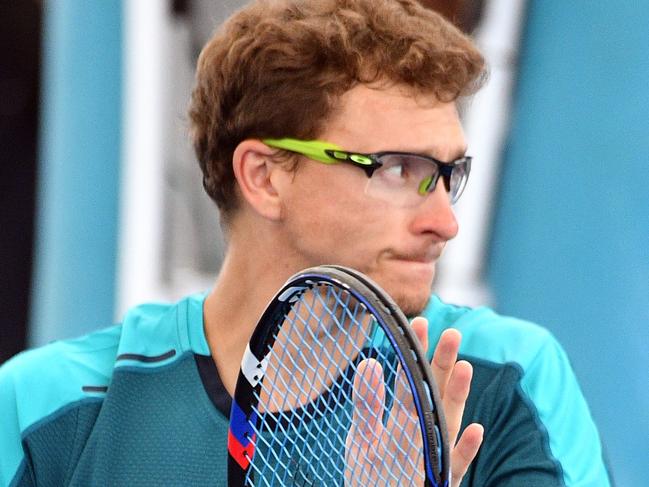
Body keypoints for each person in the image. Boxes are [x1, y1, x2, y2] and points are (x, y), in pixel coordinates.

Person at [0, 0, 612, 485]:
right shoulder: (43, 408)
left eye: (448, 176)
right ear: (265, 177)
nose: (444, 222)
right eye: (398, 169)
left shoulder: (507, 379)